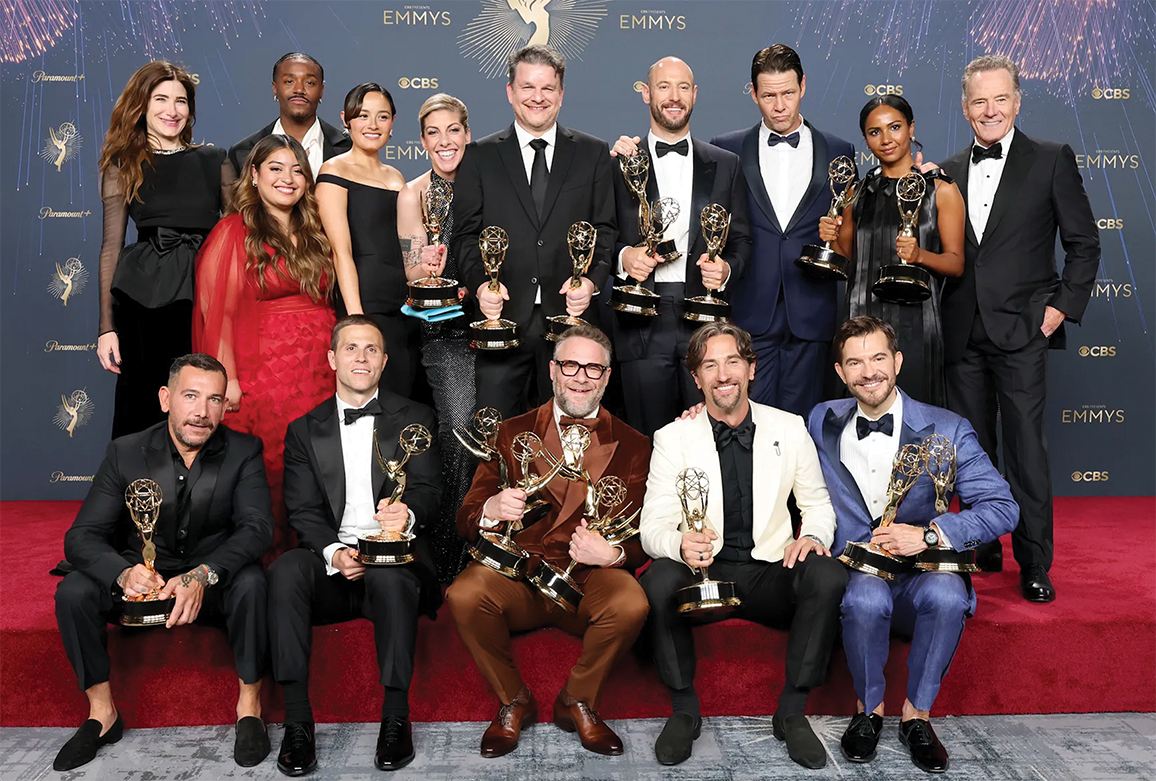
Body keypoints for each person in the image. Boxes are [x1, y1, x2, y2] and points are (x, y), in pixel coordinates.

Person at [807, 316, 1017, 773]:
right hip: (860, 572)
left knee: (947, 594)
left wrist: (928, 534)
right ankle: (869, 712)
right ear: (841, 373)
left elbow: (1003, 507)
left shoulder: (948, 428)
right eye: (855, 362)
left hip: (924, 571)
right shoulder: (819, 419)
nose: (869, 372)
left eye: (879, 358)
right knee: (862, 598)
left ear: (898, 362)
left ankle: (917, 716)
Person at [639, 321, 844, 769]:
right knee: (657, 578)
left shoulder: (789, 428)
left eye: (732, 361)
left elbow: (819, 506)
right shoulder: (672, 437)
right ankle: (684, 709)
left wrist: (811, 536)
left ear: (751, 368)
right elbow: (651, 526)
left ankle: (791, 712)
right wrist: (679, 543)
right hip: (703, 575)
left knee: (827, 572)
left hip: (770, 571)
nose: (723, 374)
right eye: (709, 365)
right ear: (697, 378)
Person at [53, 354, 273, 771]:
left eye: (214, 400)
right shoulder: (125, 452)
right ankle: (102, 715)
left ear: (225, 406)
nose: (202, 412)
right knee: (75, 590)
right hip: (141, 589)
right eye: (190, 396)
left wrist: (203, 575)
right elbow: (81, 537)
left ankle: (250, 710)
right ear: (164, 398)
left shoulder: (244, 451)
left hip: (209, 584)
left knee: (252, 583)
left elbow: (257, 529)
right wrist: (122, 573)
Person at [446, 325, 650, 758]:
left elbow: (644, 533)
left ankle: (577, 698)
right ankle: (513, 699)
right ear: (553, 371)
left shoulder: (636, 445)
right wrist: (491, 509)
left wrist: (614, 553)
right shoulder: (512, 431)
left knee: (632, 602)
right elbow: (465, 517)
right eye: (571, 365)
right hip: (519, 577)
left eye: (593, 368)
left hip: (586, 581)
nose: (581, 377)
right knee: (464, 594)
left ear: (607, 377)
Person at [938, 55, 1099, 599]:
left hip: (1024, 331)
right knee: (972, 452)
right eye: (979, 101)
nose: (990, 110)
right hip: (962, 334)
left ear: (1017, 100)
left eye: (1000, 99)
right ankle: (980, 545)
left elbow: (1084, 245)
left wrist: (1058, 311)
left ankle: (1033, 563)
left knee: (1026, 450)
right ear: (965, 108)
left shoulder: (1051, 160)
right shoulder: (947, 170)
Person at [270, 316, 441, 775]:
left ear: (384, 362)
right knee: (285, 571)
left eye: (371, 349)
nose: (361, 357)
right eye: (350, 348)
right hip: (332, 565)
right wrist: (333, 552)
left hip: (394, 563)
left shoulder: (416, 418)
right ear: (332, 359)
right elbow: (302, 510)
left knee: (390, 573)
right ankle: (298, 722)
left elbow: (428, 491)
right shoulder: (304, 430)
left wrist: (408, 515)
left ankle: (395, 718)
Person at [452, 45, 617, 419]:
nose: (537, 98)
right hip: (502, 322)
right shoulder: (479, 156)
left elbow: (605, 230)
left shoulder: (592, 153)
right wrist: (481, 285)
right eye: (527, 87)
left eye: (547, 88)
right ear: (510, 91)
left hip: (571, 328)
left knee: (570, 435)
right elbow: (465, 235)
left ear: (561, 94)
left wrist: (591, 281)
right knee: (496, 436)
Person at [194, 134, 337, 562]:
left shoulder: (315, 230)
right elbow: (217, 312)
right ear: (253, 176)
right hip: (266, 376)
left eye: (297, 170)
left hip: (320, 371)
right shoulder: (234, 231)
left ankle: (320, 558)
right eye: (275, 168)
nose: (288, 178)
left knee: (318, 465)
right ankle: (272, 565)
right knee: (274, 467)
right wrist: (228, 380)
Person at [605, 56, 752, 438]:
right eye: (664, 87)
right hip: (639, 318)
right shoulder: (620, 163)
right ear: (646, 93)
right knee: (642, 437)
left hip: (703, 318)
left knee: (710, 435)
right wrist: (624, 257)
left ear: (695, 94)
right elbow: (600, 234)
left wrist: (727, 270)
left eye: (683, 87)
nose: (674, 97)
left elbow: (743, 239)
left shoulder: (726, 164)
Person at [711, 45, 856, 417]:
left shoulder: (840, 151)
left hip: (812, 307)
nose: (779, 106)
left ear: (803, 87)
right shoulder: (725, 150)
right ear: (754, 93)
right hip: (749, 306)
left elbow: (850, 231)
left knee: (805, 425)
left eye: (788, 93)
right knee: (748, 421)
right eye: (769, 96)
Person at [96, 61, 235, 438]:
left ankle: (197, 493)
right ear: (141, 105)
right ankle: (139, 493)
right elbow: (111, 246)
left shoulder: (214, 159)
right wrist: (106, 328)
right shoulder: (123, 164)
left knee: (201, 397)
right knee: (140, 399)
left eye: (181, 101)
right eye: (161, 99)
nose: (171, 111)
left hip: (203, 293)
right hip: (144, 297)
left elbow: (238, 231)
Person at [818, 95, 965, 407]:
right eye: (874, 132)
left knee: (916, 418)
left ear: (911, 129)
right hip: (860, 319)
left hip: (916, 322)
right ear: (865, 139)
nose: (886, 139)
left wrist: (920, 256)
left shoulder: (941, 189)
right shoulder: (856, 193)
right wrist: (830, 236)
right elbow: (846, 259)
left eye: (895, 127)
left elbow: (956, 264)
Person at [396, 92, 477, 580]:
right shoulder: (413, 194)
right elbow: (410, 267)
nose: (445, 142)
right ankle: (451, 558)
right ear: (422, 140)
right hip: (446, 331)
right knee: (458, 436)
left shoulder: (489, 177)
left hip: (498, 325)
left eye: (453, 130)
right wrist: (424, 266)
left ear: (468, 133)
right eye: (433, 133)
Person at [316, 83, 419, 398]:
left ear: (392, 122)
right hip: (365, 303)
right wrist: (356, 319)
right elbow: (340, 252)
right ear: (345, 120)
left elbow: (405, 246)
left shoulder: (396, 177)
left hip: (404, 307)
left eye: (382, 116)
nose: (373, 125)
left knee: (405, 397)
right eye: (362, 116)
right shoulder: (334, 170)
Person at [227, 52, 351, 177]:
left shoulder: (350, 147)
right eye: (289, 81)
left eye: (309, 83)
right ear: (275, 88)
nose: (299, 90)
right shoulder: (243, 152)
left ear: (321, 91)